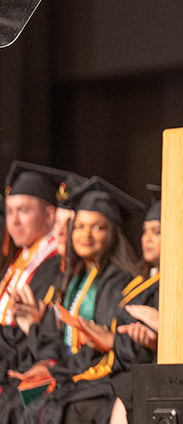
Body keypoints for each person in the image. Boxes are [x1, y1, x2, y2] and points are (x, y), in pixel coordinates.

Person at [0, 176, 142, 424]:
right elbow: (56, 338)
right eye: (79, 226)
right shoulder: (74, 279)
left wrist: (54, 369)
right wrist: (36, 332)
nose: (84, 234)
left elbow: (105, 348)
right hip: (69, 373)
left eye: (97, 227)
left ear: (112, 233)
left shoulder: (118, 284)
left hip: (98, 381)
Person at [0, 163, 83, 376]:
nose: (14, 221)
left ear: (49, 216)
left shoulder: (56, 265)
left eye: (23, 211)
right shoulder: (17, 264)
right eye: (9, 211)